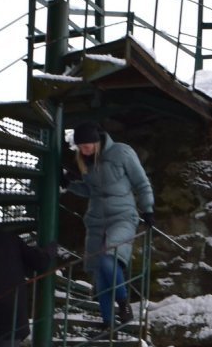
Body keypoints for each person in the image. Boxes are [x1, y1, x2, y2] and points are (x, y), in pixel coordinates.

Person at [62, 121, 154, 327]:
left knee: (108, 259)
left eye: (88, 145)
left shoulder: (121, 152)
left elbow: (141, 181)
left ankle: (123, 302)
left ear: (97, 141)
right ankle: (108, 324)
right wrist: (70, 185)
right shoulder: (85, 161)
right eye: (81, 147)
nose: (84, 150)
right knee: (99, 274)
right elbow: (90, 191)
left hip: (123, 216)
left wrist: (147, 209)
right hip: (95, 221)